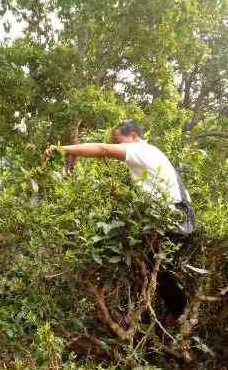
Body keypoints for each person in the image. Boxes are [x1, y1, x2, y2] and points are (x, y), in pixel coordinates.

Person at [44, 120, 195, 323]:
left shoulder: (140, 150)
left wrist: (64, 149)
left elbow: (102, 149)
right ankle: (163, 312)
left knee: (151, 267)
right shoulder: (151, 152)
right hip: (181, 217)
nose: (118, 144)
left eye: (119, 139)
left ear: (133, 135)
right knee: (148, 266)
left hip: (175, 218)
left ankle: (178, 310)